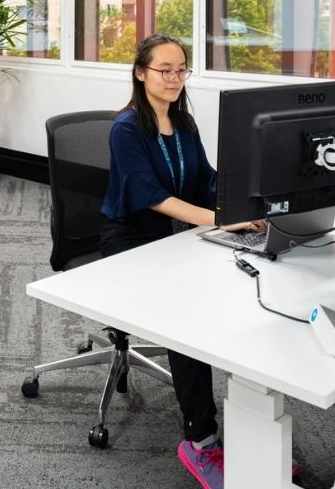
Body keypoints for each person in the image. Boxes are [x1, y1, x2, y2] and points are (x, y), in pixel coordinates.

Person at [100, 34, 261, 489]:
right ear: (140, 73)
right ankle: (201, 441)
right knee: (187, 319)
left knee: (247, 288)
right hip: (132, 241)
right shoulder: (126, 129)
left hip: (182, 234)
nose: (174, 78)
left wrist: (243, 206)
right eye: (163, 69)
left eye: (181, 69)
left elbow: (204, 179)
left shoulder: (185, 122)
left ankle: (255, 438)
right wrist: (219, 220)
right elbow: (151, 197)